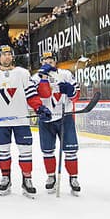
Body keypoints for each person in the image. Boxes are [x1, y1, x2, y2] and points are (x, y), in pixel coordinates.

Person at [0, 45, 51, 198]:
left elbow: (31, 95)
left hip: (21, 122)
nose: (7, 57)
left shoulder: (22, 73)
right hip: (1, 123)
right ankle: (6, 178)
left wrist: (39, 108)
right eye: (4, 54)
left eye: (9, 54)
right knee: (3, 152)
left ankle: (27, 179)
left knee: (26, 152)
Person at [31, 51, 81, 195]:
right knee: (47, 151)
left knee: (71, 150)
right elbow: (42, 94)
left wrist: (70, 91)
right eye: (45, 60)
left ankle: (73, 178)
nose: (48, 62)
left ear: (55, 61)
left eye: (51, 60)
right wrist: (44, 78)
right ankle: (51, 177)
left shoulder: (65, 74)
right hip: (46, 118)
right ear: (42, 62)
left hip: (65, 117)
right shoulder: (35, 78)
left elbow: (76, 95)